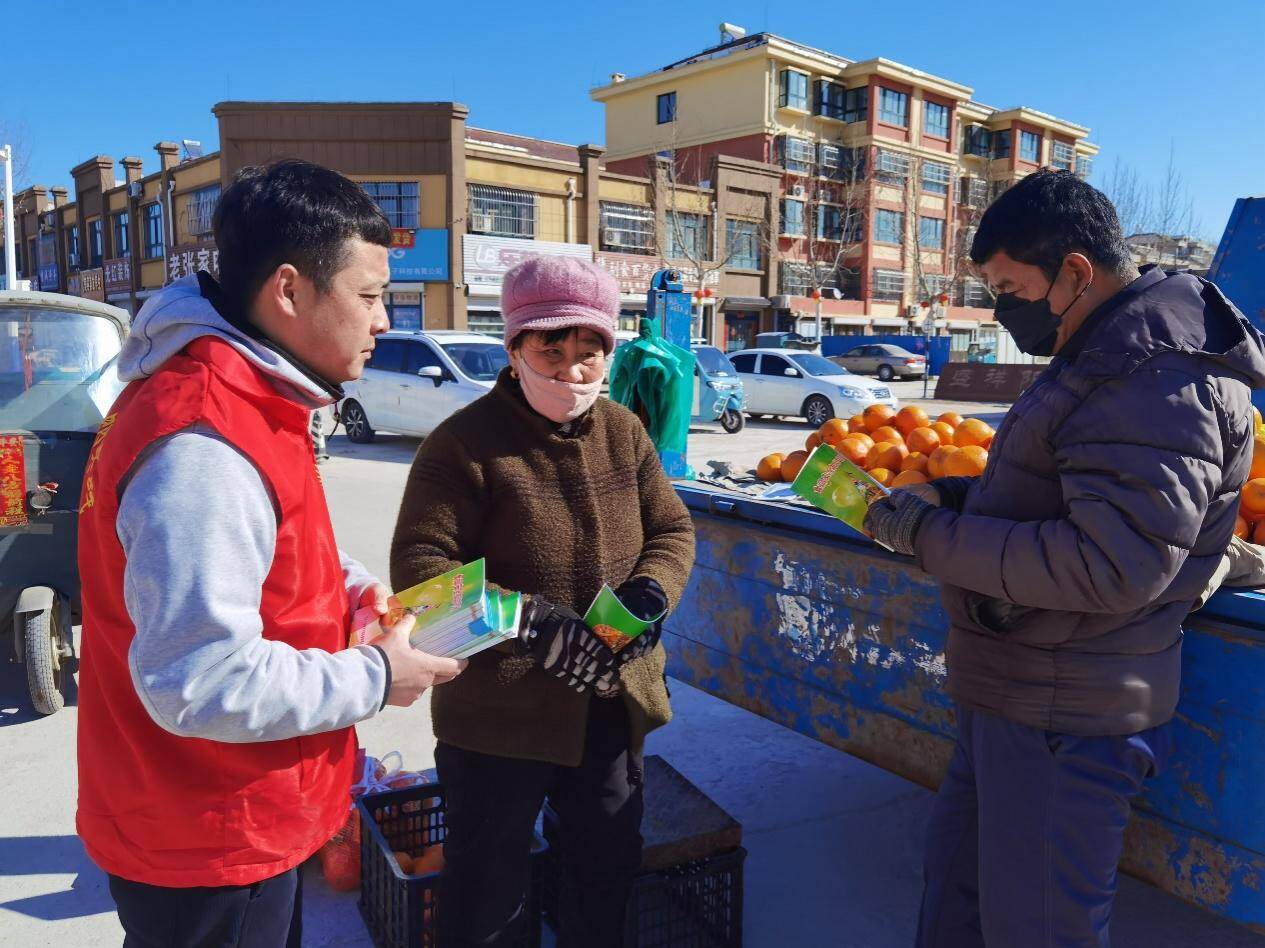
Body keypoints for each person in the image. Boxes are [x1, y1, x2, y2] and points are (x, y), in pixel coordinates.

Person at [862, 169, 1265, 946]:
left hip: (1066, 713)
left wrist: (923, 535)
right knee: (960, 902)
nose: (1000, 310)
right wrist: (960, 499)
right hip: (1021, 692)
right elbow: (1072, 494)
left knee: (1037, 929)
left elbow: (1112, 563)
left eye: (1010, 288)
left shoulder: (1150, 379)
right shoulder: (1104, 355)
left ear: (1075, 272)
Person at [76, 159, 465, 947]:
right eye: (368, 296)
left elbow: (272, 549)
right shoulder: (203, 440)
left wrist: (350, 590)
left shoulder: (252, 395)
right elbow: (197, 679)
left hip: (229, 812)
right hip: (211, 831)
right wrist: (380, 676)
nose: (384, 322)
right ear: (289, 291)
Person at [390, 255, 696, 947]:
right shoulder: (461, 446)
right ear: (514, 348)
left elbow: (671, 528)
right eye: (549, 349)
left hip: (609, 706)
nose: (571, 370)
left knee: (603, 870)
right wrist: (529, 622)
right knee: (489, 895)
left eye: (590, 351)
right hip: (495, 722)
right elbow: (420, 572)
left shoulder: (623, 430)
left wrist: (650, 592)